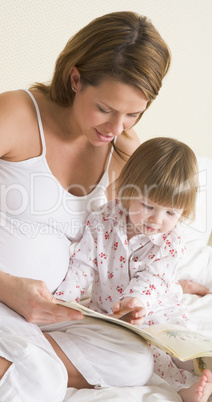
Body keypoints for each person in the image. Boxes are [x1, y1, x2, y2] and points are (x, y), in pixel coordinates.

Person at [0, 10, 175, 401]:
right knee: (38, 380)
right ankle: (17, 363)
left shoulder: (120, 149)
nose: (116, 127)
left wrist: (122, 301)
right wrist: (7, 288)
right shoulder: (15, 113)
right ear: (75, 78)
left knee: (134, 361)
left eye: (133, 114)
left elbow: (115, 249)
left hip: (35, 307)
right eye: (105, 108)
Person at [51, 137, 212, 402]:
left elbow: (154, 277)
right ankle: (184, 391)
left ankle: (201, 377)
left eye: (171, 213)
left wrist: (137, 300)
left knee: (184, 348)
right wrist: (63, 301)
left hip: (159, 307)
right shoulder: (102, 220)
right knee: (146, 358)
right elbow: (82, 264)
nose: (157, 220)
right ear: (128, 190)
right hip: (110, 312)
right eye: (147, 206)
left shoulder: (171, 240)